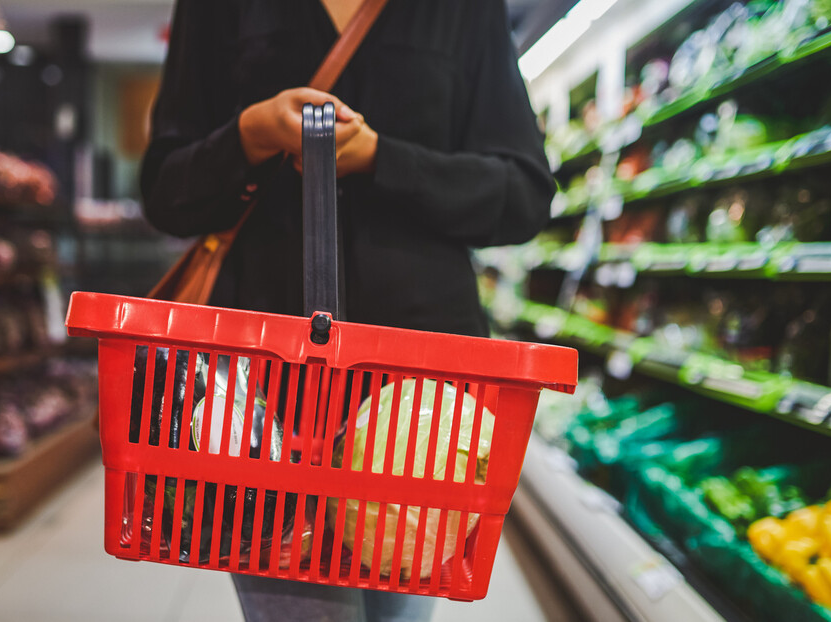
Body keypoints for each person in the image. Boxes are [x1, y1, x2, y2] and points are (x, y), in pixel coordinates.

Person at [140, 0, 554, 619]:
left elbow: (524, 194)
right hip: (262, 402)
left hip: (423, 411)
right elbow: (164, 191)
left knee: (400, 605)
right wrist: (249, 135)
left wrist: (384, 159)